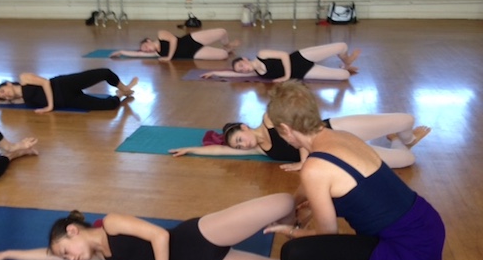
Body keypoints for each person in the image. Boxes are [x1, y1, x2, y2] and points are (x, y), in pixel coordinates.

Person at [262, 81, 445, 260]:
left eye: (278, 131)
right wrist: (299, 202)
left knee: (295, 255)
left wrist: (290, 231)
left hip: (405, 252)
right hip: (427, 225)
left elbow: (326, 238)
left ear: (286, 130)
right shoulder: (342, 137)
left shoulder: (315, 168)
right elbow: (332, 184)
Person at [0, 194, 299, 260]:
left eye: (66, 251)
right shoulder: (101, 258)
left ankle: (303, 219)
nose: (69, 259)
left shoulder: (112, 223)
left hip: (199, 236)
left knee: (284, 201)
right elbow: (48, 258)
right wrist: (7, 253)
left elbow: (160, 236)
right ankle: (308, 237)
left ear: (74, 231)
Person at [170, 112, 430, 171]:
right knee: (408, 159)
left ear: (244, 126)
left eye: (239, 139)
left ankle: (404, 135)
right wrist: (191, 149)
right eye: (238, 146)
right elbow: (219, 152)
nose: (242, 145)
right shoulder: (263, 151)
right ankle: (399, 141)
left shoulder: (269, 118)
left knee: (406, 119)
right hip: (337, 153)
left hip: (333, 129)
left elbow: (301, 138)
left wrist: (302, 164)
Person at [0, 69, 138, 114]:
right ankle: (119, 95)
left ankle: (123, 88)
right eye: (3, 97)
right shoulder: (19, 101)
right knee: (108, 106)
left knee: (103, 73)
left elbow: (44, 83)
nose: (5, 94)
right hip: (68, 101)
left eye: (3, 90)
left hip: (63, 85)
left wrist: (49, 106)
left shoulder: (24, 78)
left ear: (7, 83)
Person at [200, 42, 359, 82]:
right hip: (304, 72)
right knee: (344, 76)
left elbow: (284, 55)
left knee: (341, 46)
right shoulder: (257, 73)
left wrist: (286, 77)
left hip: (301, 58)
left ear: (245, 59)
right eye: (241, 70)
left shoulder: (261, 54)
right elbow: (233, 76)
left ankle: (346, 60)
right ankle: (345, 67)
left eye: (241, 65)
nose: (243, 69)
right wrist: (215, 72)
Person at [109, 28, 240, 62]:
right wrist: (121, 51)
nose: (147, 50)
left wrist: (169, 57)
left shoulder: (161, 34)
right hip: (192, 54)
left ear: (149, 40)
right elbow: (136, 54)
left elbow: (173, 40)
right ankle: (226, 50)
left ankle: (227, 44)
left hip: (190, 40)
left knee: (222, 32)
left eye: (146, 47)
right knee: (223, 55)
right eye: (145, 51)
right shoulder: (157, 53)